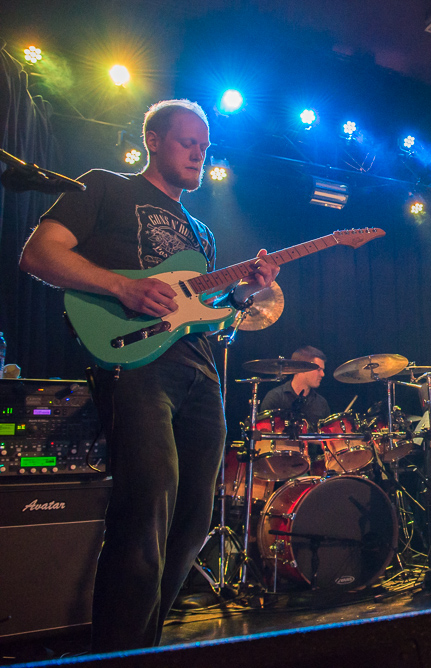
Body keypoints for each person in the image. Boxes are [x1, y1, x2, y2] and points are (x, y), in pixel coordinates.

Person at [19, 99, 278, 651]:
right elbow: (39, 253)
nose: (199, 154)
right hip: (134, 363)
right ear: (154, 140)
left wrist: (243, 293)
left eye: (206, 148)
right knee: (148, 505)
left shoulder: (201, 231)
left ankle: (141, 646)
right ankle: (119, 653)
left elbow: (211, 316)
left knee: (193, 519)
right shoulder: (104, 187)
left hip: (200, 372)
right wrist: (121, 286)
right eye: (189, 142)